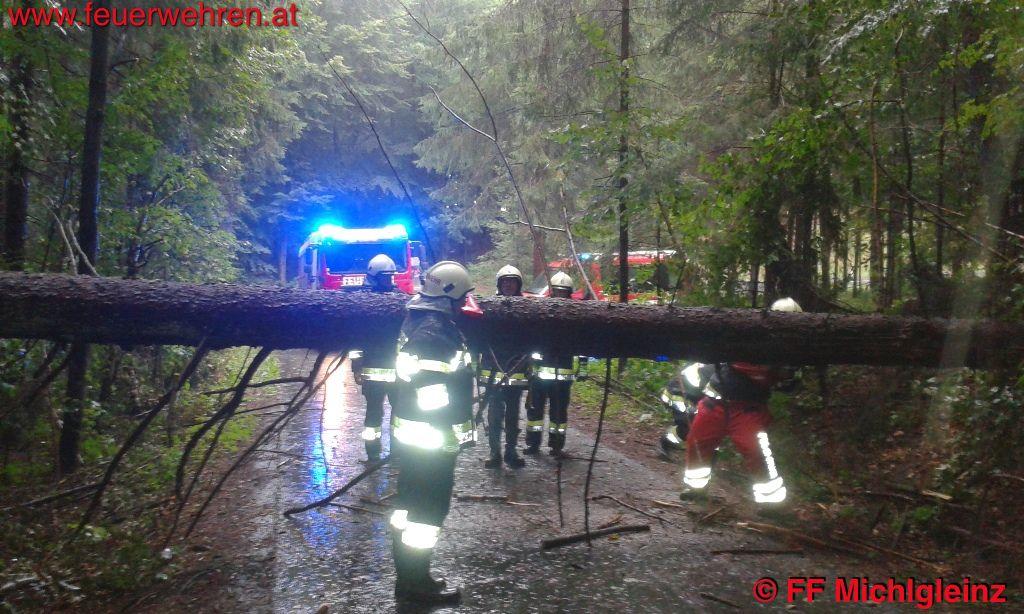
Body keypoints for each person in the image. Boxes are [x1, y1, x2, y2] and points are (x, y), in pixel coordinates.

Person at [389, 260, 477, 604]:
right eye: (462, 297)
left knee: (408, 507)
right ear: (449, 295)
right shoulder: (434, 332)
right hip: (430, 440)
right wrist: (447, 432)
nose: (465, 303)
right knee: (427, 512)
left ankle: (410, 577)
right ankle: (415, 586)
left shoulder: (418, 321)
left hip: (415, 437)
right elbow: (430, 389)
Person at [679, 297, 802, 507]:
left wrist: (784, 374)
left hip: (748, 409)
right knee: (697, 443)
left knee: (757, 453)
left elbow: (789, 385)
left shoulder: (793, 352)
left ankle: (771, 503)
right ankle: (695, 488)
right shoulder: (749, 334)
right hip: (715, 402)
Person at [526, 272, 586, 456]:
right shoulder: (543, 314)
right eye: (558, 291)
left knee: (559, 415)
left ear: (569, 293)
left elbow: (582, 345)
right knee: (535, 412)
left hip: (563, 377)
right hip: (539, 376)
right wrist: (531, 364)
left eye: (564, 292)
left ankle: (557, 445)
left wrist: (583, 368)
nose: (560, 295)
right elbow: (533, 342)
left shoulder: (575, 318)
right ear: (552, 292)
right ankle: (533, 444)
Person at [348, 254, 400, 462]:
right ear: (374, 277)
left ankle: (398, 453)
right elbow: (355, 340)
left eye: (390, 276)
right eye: (385, 277)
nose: (389, 280)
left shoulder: (400, 299)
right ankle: (373, 454)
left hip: (398, 370)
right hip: (373, 371)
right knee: (373, 416)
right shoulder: (365, 303)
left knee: (400, 414)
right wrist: (356, 367)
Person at [478, 265, 529, 468]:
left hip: (517, 369)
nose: (508, 285)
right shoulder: (489, 306)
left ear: (518, 284)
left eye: (512, 281)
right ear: (499, 284)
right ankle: (495, 453)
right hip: (493, 369)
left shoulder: (528, 309)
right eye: (505, 281)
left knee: (513, 414)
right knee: (494, 413)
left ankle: (511, 451)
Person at [657, 362, 705, 460]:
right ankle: (665, 443)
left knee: (696, 422)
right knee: (688, 425)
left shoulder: (716, 365)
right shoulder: (715, 369)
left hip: (687, 394)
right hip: (677, 393)